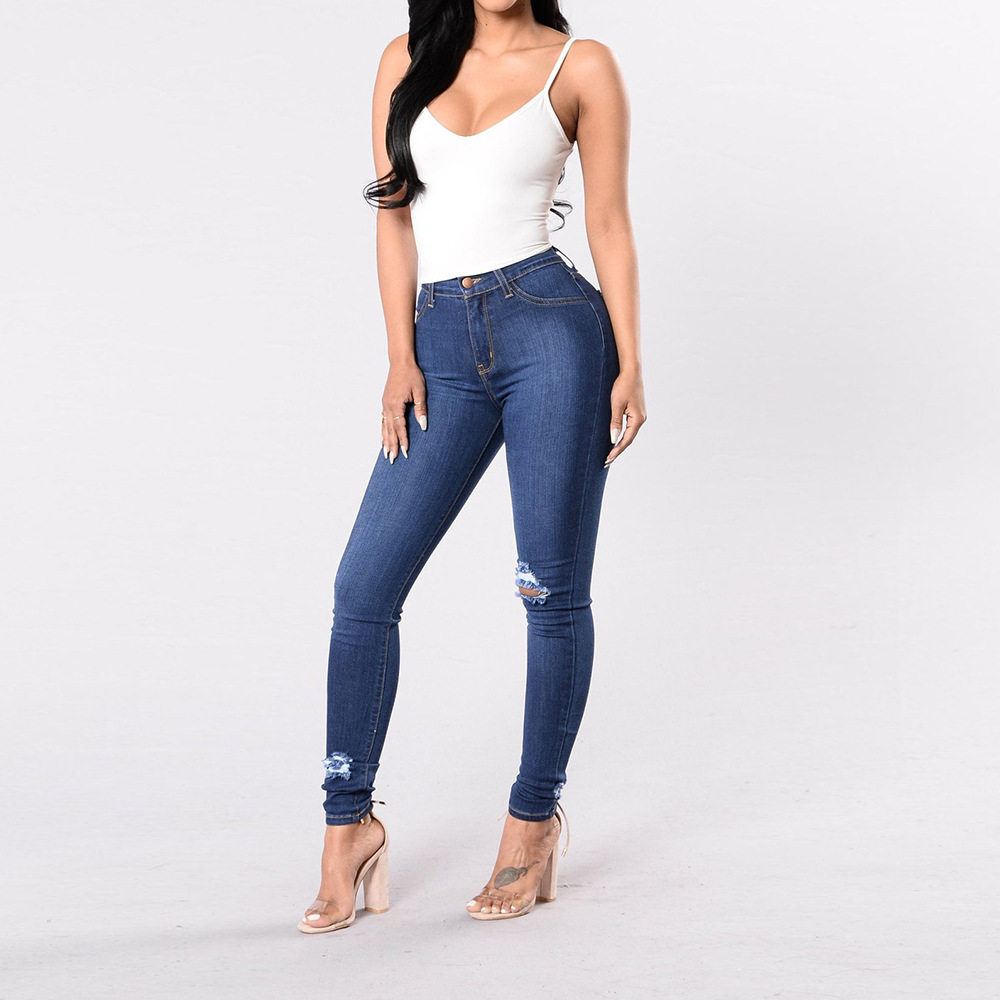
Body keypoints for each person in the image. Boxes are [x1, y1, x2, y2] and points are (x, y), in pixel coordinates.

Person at [299, 0, 646, 933]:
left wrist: (630, 362)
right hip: (439, 342)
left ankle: (533, 822)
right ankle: (347, 828)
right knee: (363, 588)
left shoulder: (581, 65)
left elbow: (608, 221)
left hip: (553, 333)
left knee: (549, 588)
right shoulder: (406, 57)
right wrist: (398, 355)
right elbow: (392, 216)